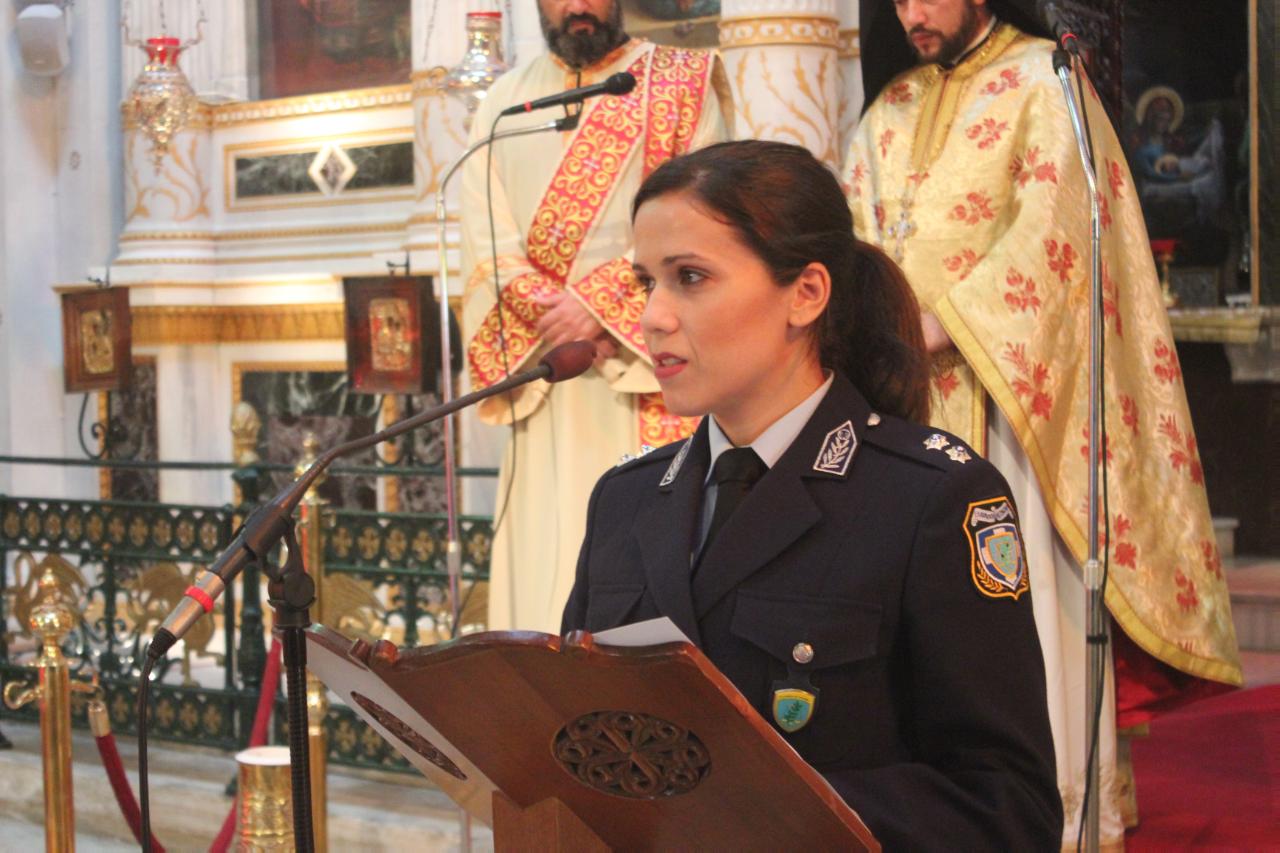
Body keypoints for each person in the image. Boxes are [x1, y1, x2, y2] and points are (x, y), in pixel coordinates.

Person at [562, 140, 1062, 849]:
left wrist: (772, 810)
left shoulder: (932, 498)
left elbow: (1008, 806)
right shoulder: (625, 499)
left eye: (690, 277)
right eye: (648, 282)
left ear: (805, 294)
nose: (652, 316)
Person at [845, 0, 1242, 845]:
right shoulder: (890, 108)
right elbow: (853, 236)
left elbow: (1054, 237)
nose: (913, 14)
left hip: (1008, 402)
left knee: (1016, 610)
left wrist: (945, 324)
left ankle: (1049, 811)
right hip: (898, 399)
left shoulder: (1046, 82)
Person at [460, 0, 733, 633]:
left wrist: (599, 305)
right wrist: (560, 315)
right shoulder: (502, 104)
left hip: (650, 367)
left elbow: (708, 216)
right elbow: (485, 244)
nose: (578, 6)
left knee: (649, 573)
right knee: (546, 570)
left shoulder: (681, 83)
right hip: (547, 371)